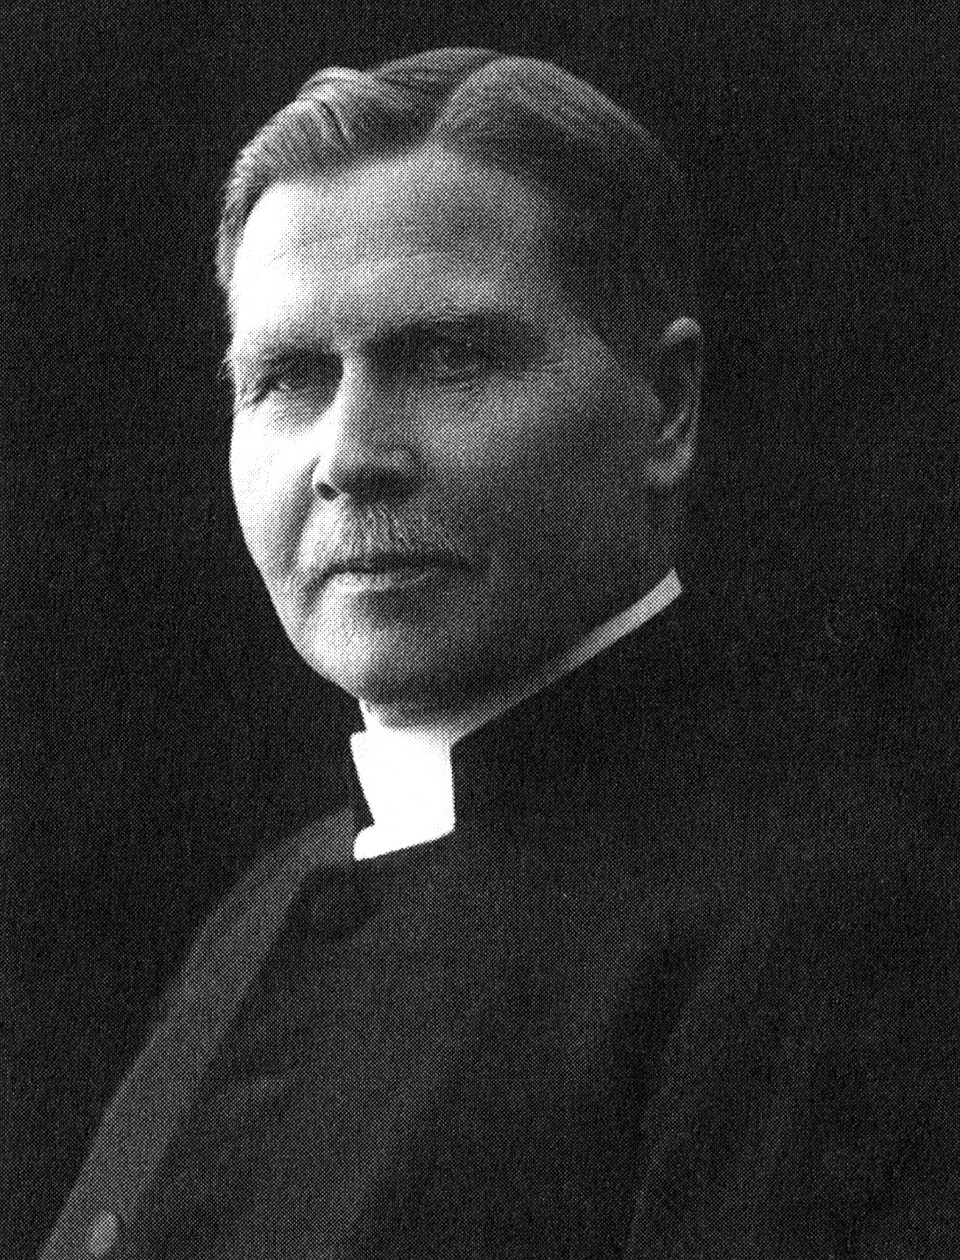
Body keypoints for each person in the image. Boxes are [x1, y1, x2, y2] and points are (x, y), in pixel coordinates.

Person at [41, 47, 959, 1260]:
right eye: (287, 379)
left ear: (666, 410)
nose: (348, 456)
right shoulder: (256, 912)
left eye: (449, 359)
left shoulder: (818, 925)